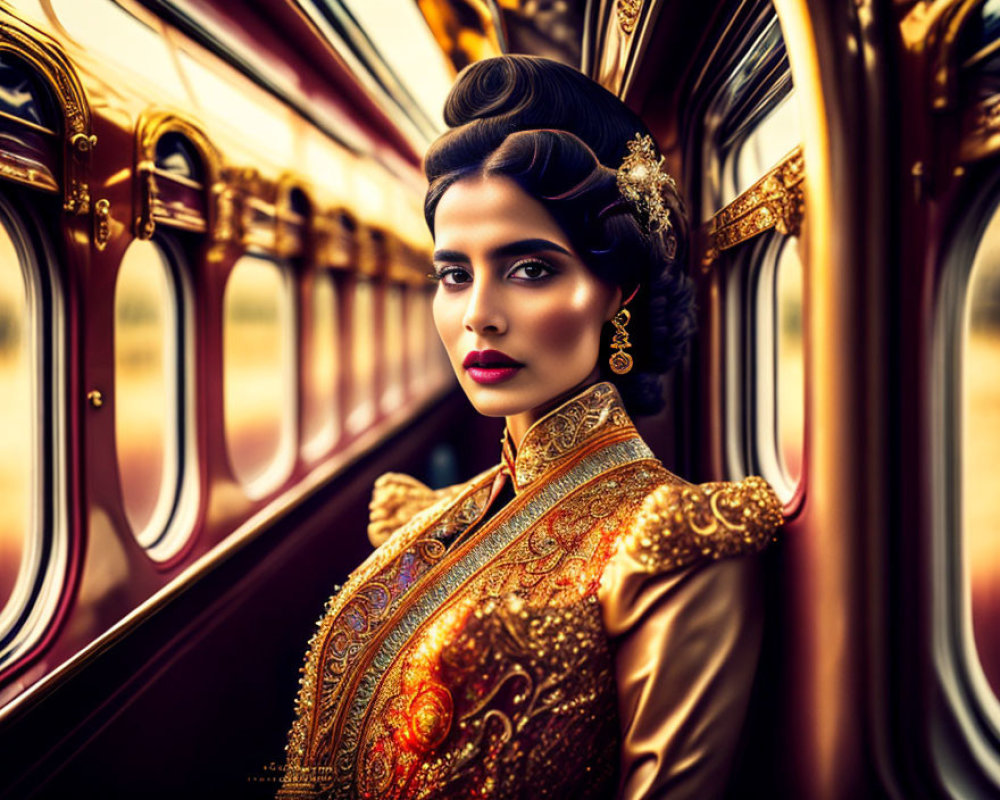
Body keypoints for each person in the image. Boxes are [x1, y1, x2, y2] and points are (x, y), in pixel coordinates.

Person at [277, 55, 782, 799]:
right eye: (455, 275)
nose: (478, 312)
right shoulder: (447, 517)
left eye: (530, 269)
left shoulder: (673, 548)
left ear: (616, 290)